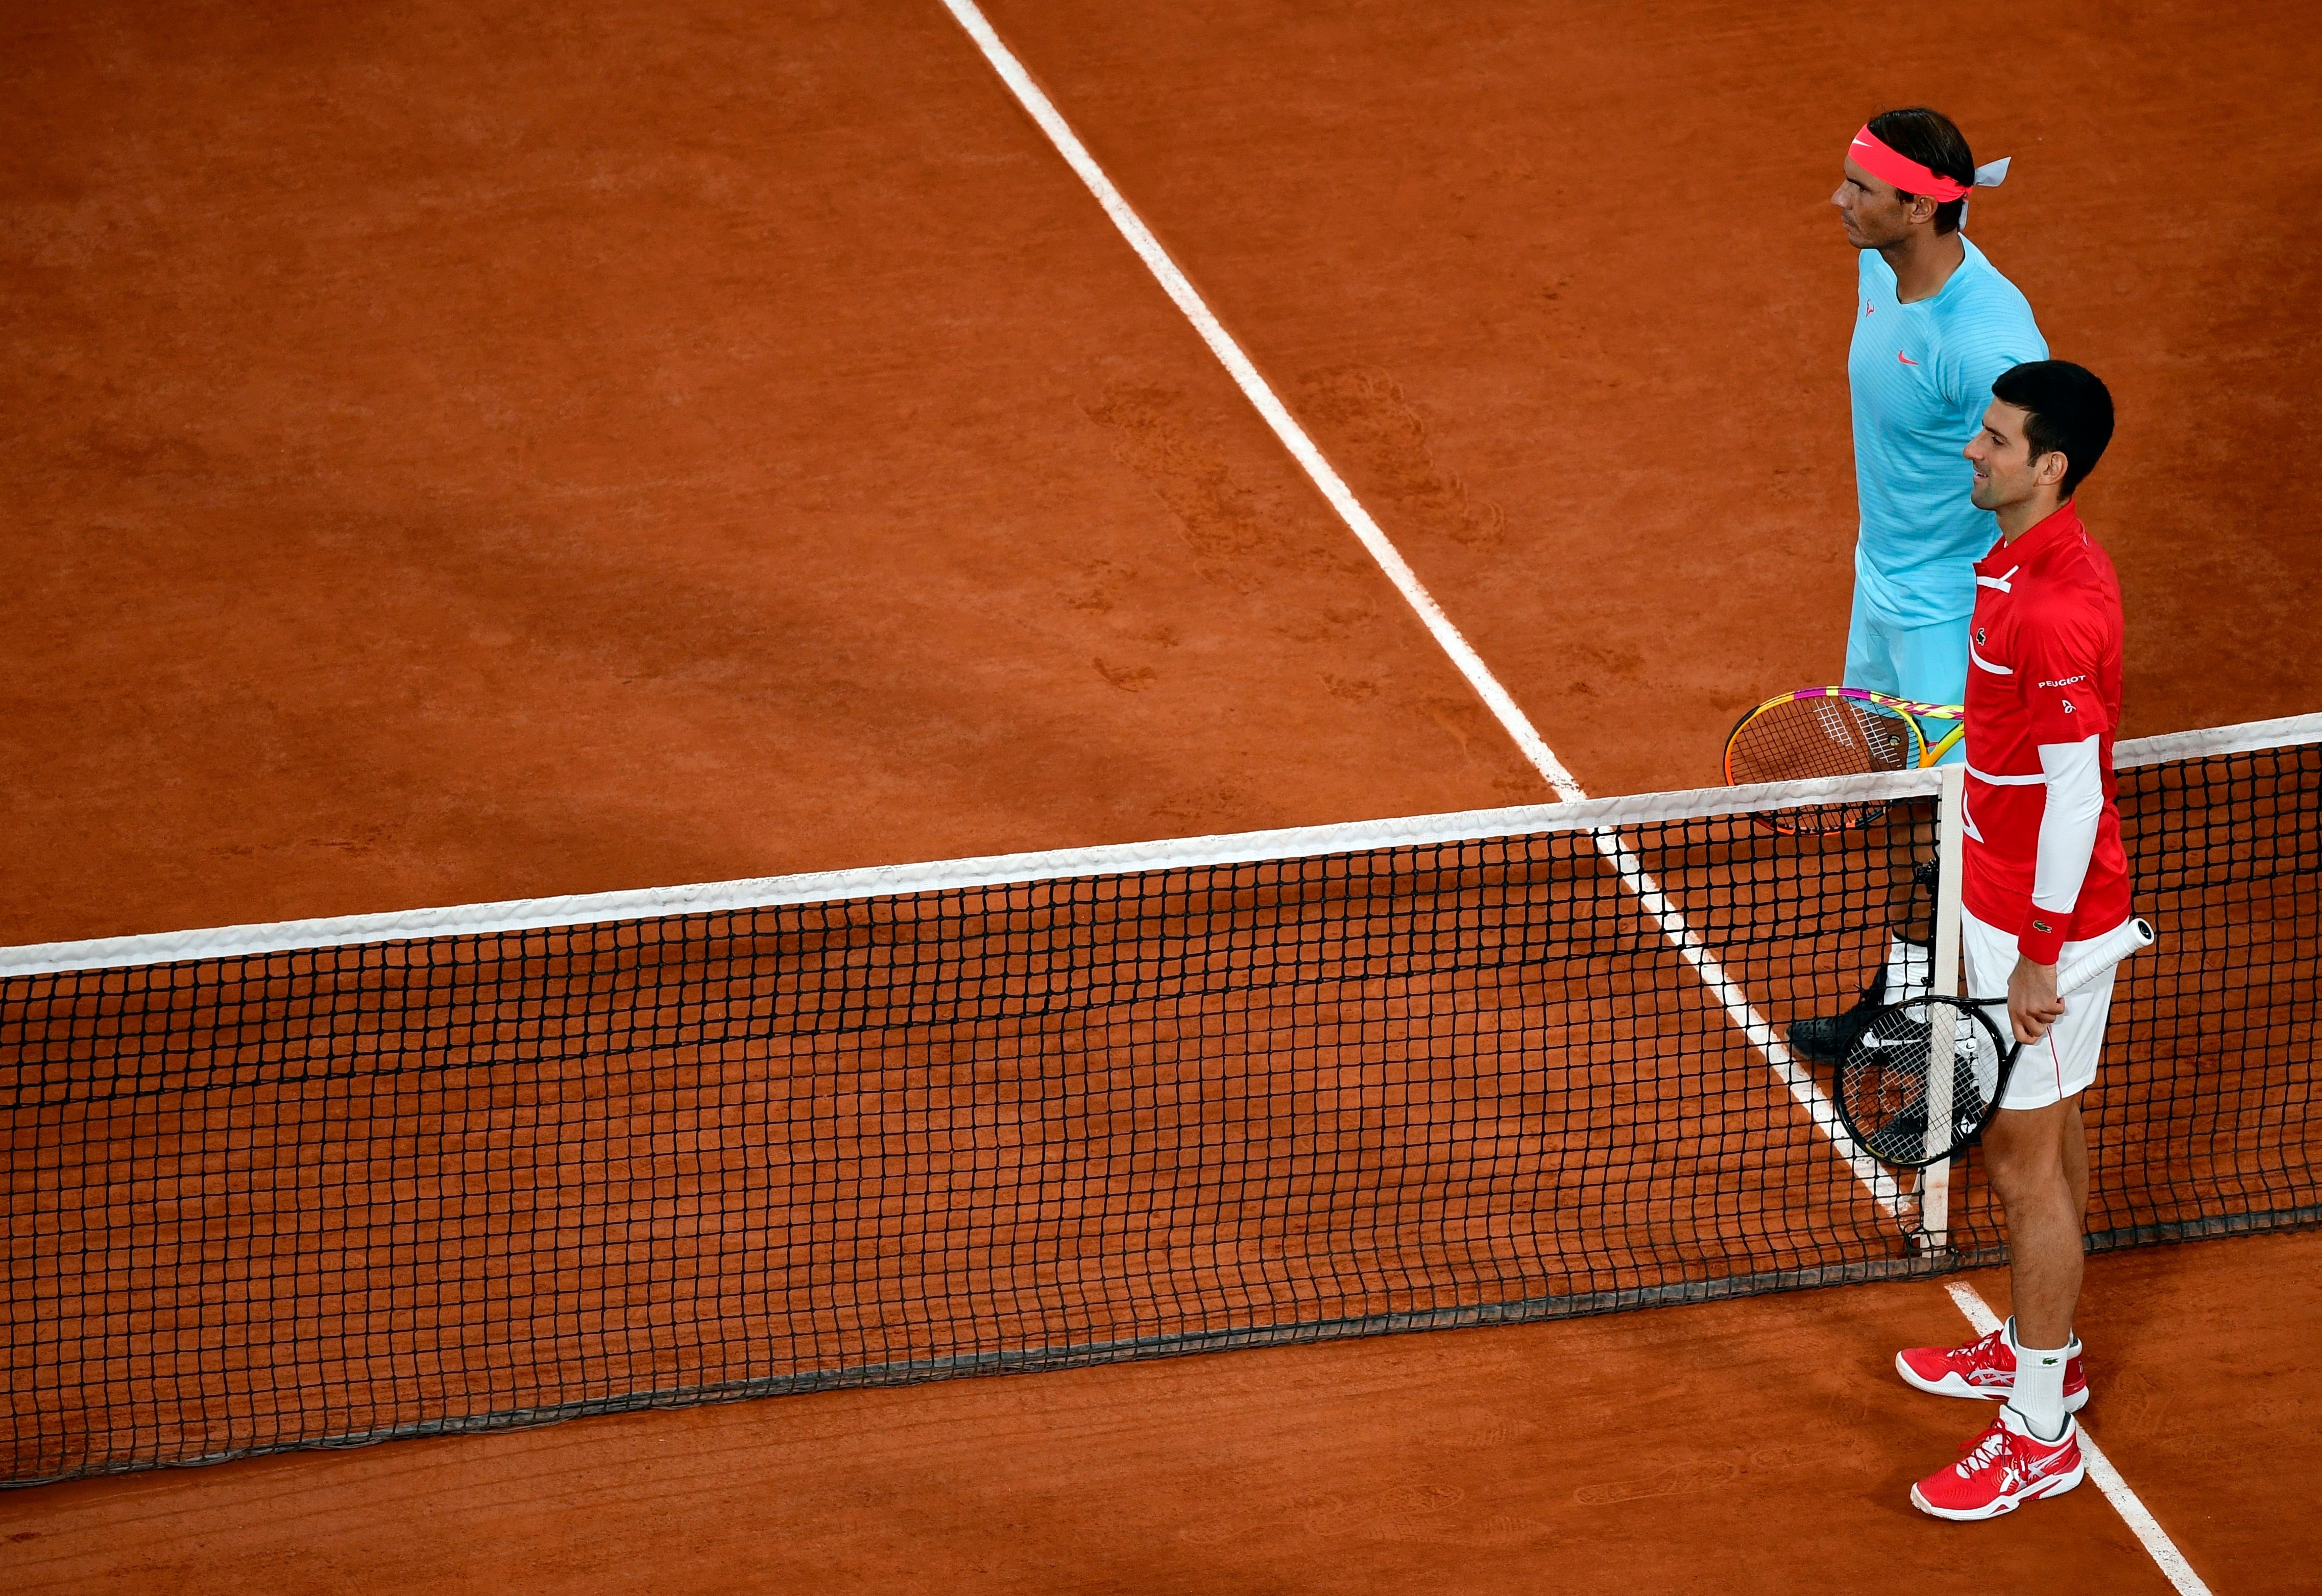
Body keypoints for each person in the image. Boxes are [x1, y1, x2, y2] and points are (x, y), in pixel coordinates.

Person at [1896, 360, 2126, 1520]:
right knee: (2053, 1127)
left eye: (1995, 441)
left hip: (2045, 926)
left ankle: (2038, 1430)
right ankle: (2053, 1354)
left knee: (2016, 1165)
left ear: (2052, 468)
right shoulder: (2019, 564)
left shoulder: (2050, 605)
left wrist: (2038, 950)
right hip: (2004, 896)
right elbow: (2023, 748)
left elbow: (2078, 795)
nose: (1973, 451)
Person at [1790, 109, 2049, 1065]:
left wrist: (2014, 598)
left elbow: (2048, 465)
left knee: (1964, 824)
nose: (1840, 201)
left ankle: (1970, 1041)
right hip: (1880, 584)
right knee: (1909, 798)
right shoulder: (1883, 261)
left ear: (1920, 207)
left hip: (1949, 606)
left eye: (1860, 190)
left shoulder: (1985, 340)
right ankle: (1906, 998)